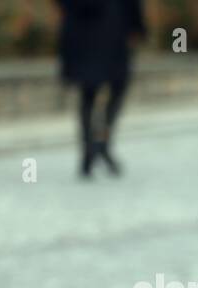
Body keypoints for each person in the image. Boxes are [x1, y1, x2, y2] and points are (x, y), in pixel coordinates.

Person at [56, 0, 146, 178]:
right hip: (111, 28)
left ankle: (91, 147)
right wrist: (137, 26)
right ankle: (99, 143)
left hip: (83, 30)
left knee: (88, 95)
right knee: (112, 90)